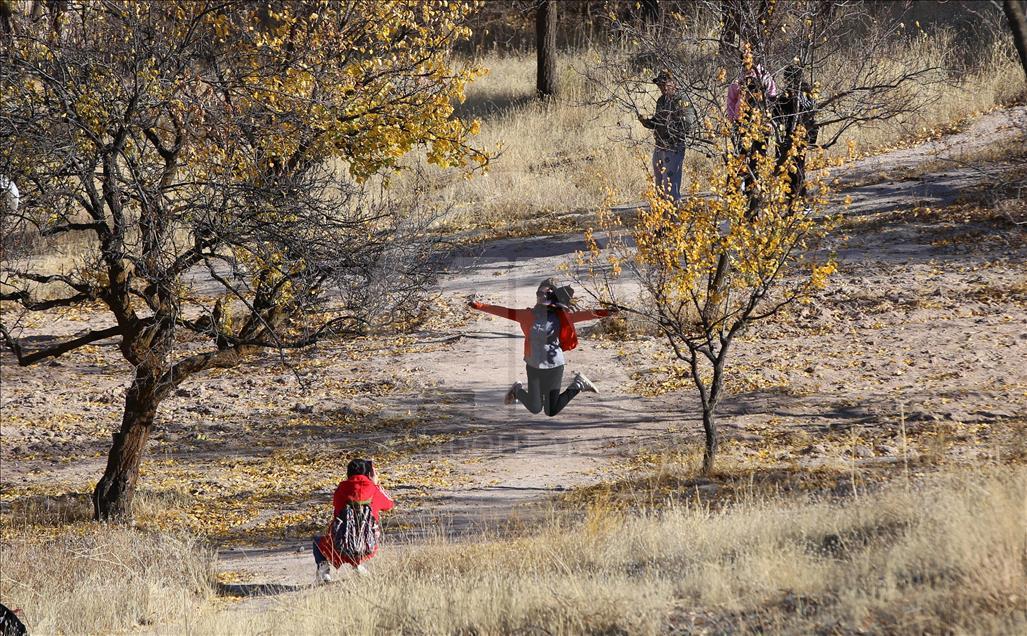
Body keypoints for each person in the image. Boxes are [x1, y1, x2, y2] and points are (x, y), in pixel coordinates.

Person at [469, 279, 617, 417]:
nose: (542, 296)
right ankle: (517, 390)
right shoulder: (526, 315)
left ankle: (578, 384)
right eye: (539, 293)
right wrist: (478, 306)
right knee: (535, 408)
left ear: (553, 295)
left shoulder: (561, 315)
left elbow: (584, 315)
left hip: (554, 366)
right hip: (533, 366)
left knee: (550, 411)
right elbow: (502, 310)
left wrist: (606, 312)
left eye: (546, 293)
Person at [312, 458, 394, 583]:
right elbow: (389, 504)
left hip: (341, 543)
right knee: (360, 535)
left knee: (318, 542)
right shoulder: (374, 489)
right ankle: (357, 566)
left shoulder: (341, 489)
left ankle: (324, 572)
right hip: (368, 543)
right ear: (368, 473)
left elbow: (337, 508)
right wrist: (376, 484)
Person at [638, 70, 696, 203]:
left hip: (674, 147)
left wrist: (673, 119)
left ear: (673, 83)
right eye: (660, 85)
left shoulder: (682, 100)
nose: (662, 87)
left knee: (670, 185)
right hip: (659, 146)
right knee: (659, 184)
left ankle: (673, 218)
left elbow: (689, 124)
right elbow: (656, 122)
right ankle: (662, 218)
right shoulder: (661, 100)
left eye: (665, 84)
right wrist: (645, 121)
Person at [773, 64, 819, 207]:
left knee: (793, 170)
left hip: (794, 136)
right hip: (801, 135)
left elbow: (777, 114)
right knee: (795, 169)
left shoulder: (795, 94)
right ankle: (795, 201)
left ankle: (799, 202)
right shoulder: (807, 93)